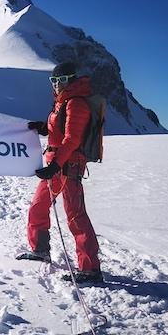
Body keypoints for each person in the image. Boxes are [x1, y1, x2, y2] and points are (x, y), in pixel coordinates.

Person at [17, 62, 103, 283]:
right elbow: (60, 130)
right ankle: (40, 250)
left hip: (69, 165)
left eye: (62, 80)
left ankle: (90, 268)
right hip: (56, 163)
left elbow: (72, 139)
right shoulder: (63, 103)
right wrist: (43, 128)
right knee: (38, 205)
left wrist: (56, 165)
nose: (57, 84)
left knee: (75, 215)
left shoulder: (76, 103)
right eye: (54, 81)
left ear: (72, 80)